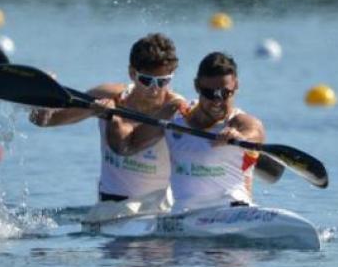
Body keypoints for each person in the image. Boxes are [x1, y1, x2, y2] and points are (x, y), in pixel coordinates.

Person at [29, 33, 185, 223]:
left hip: (158, 208)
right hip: (111, 209)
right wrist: (46, 97)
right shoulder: (107, 96)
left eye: (162, 81)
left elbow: (127, 146)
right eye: (146, 80)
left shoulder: (177, 108)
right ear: (132, 73)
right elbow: (44, 121)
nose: (154, 89)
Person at [102, 52, 263, 214]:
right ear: (196, 86)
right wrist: (112, 116)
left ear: (236, 86)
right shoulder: (174, 115)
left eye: (225, 93)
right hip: (184, 216)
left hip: (234, 211)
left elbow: (254, 132)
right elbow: (126, 146)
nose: (217, 101)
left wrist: (240, 137)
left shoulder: (240, 122)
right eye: (209, 93)